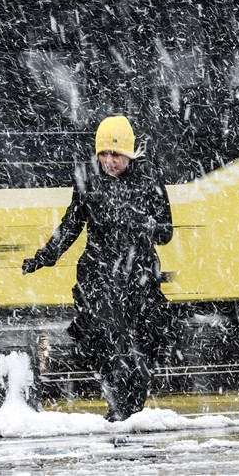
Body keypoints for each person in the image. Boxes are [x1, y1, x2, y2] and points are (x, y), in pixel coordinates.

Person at [22, 115, 174, 422]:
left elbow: (166, 231)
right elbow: (72, 223)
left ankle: (132, 409)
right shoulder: (87, 178)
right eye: (103, 153)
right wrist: (45, 256)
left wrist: (144, 225)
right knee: (108, 343)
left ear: (129, 153)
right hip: (99, 275)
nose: (108, 161)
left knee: (142, 345)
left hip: (138, 276)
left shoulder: (148, 177)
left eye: (115, 154)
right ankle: (119, 407)